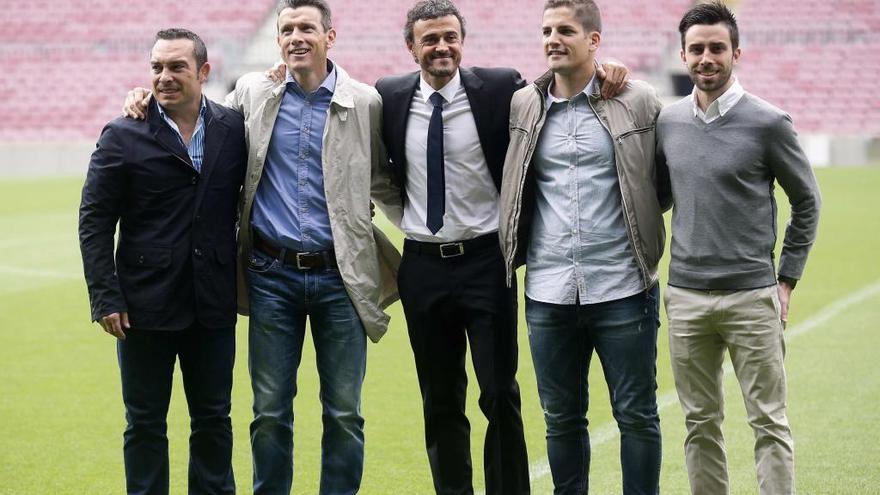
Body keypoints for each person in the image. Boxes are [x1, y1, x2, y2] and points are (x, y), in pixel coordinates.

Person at [124, 1, 402, 493]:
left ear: (329, 37)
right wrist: (146, 99)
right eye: (287, 28)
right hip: (271, 274)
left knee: (344, 412)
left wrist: (424, 233)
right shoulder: (253, 91)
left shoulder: (365, 102)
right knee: (270, 411)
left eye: (307, 28)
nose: (296, 36)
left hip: (342, 276)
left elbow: (382, 177)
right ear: (278, 39)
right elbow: (201, 120)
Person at [374, 1, 628, 493]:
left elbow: (556, 87)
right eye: (429, 39)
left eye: (450, 36)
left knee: (499, 393)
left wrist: (605, 68)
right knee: (440, 398)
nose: (441, 46)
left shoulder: (499, 88)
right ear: (411, 47)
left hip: (487, 263)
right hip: (422, 265)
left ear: (462, 42)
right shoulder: (389, 95)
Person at [498, 1, 667, 493]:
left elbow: (662, 180)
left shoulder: (636, 99)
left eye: (566, 30)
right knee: (561, 418)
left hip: (623, 286)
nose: (553, 38)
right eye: (546, 30)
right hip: (548, 291)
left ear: (594, 40)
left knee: (636, 414)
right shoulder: (523, 104)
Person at [656, 3, 821, 494]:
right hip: (685, 297)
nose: (707, 58)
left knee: (769, 422)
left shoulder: (769, 123)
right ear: (683, 55)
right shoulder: (667, 122)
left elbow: (807, 200)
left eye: (717, 48)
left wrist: (786, 278)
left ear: (736, 53)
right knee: (699, 424)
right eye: (697, 49)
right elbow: (658, 196)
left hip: (752, 297)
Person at [79, 28, 246, 495]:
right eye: (157, 67)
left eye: (177, 67)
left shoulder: (233, 129)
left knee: (214, 419)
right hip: (141, 307)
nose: (164, 77)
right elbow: (94, 220)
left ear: (204, 72)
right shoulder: (122, 133)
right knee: (145, 422)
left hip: (212, 302)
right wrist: (105, 295)